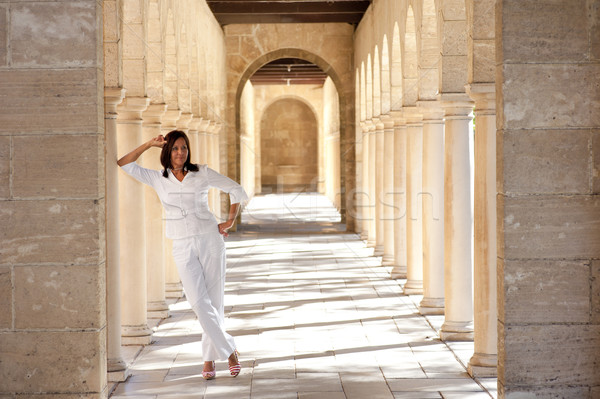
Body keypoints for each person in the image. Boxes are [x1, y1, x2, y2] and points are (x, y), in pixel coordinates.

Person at [117, 130, 247, 380]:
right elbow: (124, 163)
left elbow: (235, 189)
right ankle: (230, 350)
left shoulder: (202, 172)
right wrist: (148, 144)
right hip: (181, 244)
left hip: (210, 239)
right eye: (175, 148)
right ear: (168, 151)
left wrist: (229, 222)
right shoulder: (158, 178)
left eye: (184, 148)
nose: (180, 153)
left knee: (214, 301)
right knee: (198, 302)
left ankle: (209, 359)